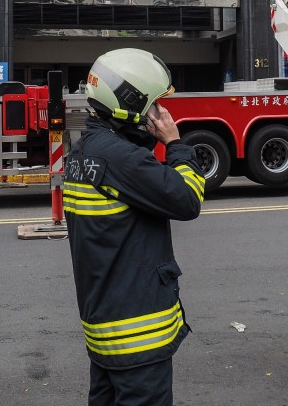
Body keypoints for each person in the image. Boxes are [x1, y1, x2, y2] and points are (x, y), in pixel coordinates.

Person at [64, 48, 206, 405]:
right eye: (154, 104)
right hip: (138, 337)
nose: (159, 112)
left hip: (106, 330)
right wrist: (174, 144)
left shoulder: (83, 152)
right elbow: (187, 198)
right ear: (130, 103)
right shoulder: (120, 158)